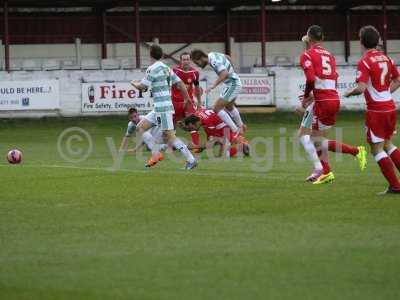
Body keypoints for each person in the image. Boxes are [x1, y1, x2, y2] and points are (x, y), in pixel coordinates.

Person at [299, 25, 366, 184]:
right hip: (333, 99)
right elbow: (333, 77)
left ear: (308, 38)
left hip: (322, 101)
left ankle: (334, 165)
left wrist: (307, 96)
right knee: (316, 139)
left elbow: (310, 79)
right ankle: (325, 169)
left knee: (314, 139)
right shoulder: (330, 56)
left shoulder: (307, 55)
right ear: (322, 39)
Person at [344, 25, 400, 194]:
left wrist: (349, 93)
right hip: (390, 107)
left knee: (376, 148)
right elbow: (398, 80)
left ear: (361, 42)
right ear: (377, 41)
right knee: (388, 144)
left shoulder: (365, 61)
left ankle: (395, 186)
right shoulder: (386, 59)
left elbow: (361, 88)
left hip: (376, 110)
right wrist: (384, 92)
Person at [130, 44, 197, 170]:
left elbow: (142, 87)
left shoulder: (152, 69)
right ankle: (156, 154)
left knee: (170, 136)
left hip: (163, 108)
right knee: (140, 127)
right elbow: (180, 83)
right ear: (161, 55)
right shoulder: (167, 68)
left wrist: (133, 83)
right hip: (159, 107)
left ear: (150, 54)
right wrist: (187, 98)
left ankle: (191, 160)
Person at [190, 49, 245, 138]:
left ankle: (236, 131)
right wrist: (232, 70)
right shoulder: (212, 54)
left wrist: (213, 85)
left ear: (201, 58)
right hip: (233, 83)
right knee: (229, 106)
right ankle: (241, 126)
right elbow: (227, 57)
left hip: (233, 84)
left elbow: (224, 73)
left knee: (217, 108)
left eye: (197, 63)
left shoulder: (214, 61)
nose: (198, 66)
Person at [181, 109, 249, 158]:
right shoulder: (197, 115)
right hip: (223, 128)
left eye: (193, 127)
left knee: (223, 156)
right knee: (220, 152)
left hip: (226, 131)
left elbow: (212, 142)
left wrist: (195, 146)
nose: (193, 129)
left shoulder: (207, 123)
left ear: (195, 123)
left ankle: (241, 145)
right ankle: (238, 143)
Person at [172, 52, 202, 150]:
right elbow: (172, 85)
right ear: (180, 61)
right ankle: (171, 145)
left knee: (192, 123)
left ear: (190, 61)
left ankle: (196, 146)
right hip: (175, 102)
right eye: (184, 59)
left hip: (188, 102)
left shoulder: (195, 73)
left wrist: (199, 102)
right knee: (171, 126)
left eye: (188, 59)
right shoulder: (174, 71)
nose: (186, 61)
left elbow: (197, 88)